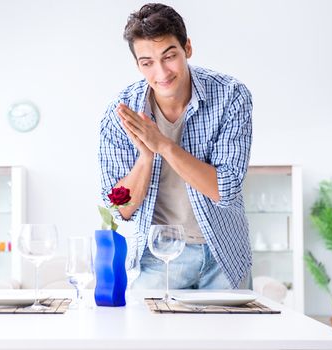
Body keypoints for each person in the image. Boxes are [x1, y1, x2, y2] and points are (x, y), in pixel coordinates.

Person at [98, 3, 253, 290]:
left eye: (169, 57)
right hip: (158, 256)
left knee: (232, 336)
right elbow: (120, 209)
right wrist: (145, 158)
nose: (161, 72)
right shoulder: (120, 113)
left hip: (224, 255)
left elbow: (226, 188)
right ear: (138, 65)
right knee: (147, 335)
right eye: (147, 63)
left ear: (187, 49)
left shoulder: (231, 96)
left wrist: (164, 146)